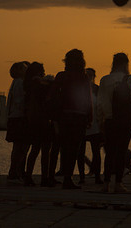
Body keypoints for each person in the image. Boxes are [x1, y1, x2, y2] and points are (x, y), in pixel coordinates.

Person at [49, 49, 92, 189]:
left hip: (64, 116)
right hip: (79, 116)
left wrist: (54, 116)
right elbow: (88, 98)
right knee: (74, 149)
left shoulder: (61, 76)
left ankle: (56, 176)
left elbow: (53, 97)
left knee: (63, 147)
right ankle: (68, 178)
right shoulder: (83, 77)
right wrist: (89, 116)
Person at [97, 52, 131, 193]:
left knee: (110, 152)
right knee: (121, 151)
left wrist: (100, 120)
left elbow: (100, 103)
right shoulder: (128, 79)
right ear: (125, 64)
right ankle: (118, 184)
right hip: (125, 120)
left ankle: (106, 183)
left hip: (110, 120)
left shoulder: (104, 80)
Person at [23, 62, 53, 187]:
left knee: (34, 149)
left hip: (32, 119)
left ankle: (28, 176)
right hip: (43, 119)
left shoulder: (27, 84)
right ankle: (44, 178)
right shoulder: (38, 83)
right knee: (45, 150)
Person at [77, 68, 104, 185]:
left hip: (95, 125)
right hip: (82, 124)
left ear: (94, 76)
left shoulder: (97, 89)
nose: (88, 77)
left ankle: (97, 176)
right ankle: (82, 176)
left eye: (90, 75)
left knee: (96, 152)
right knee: (80, 151)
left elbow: (102, 105)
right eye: (86, 75)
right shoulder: (79, 89)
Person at [5, 62, 29, 185]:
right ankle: (16, 172)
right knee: (21, 147)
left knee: (17, 147)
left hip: (14, 117)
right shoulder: (20, 83)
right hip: (19, 117)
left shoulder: (14, 83)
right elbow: (21, 101)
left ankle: (14, 171)